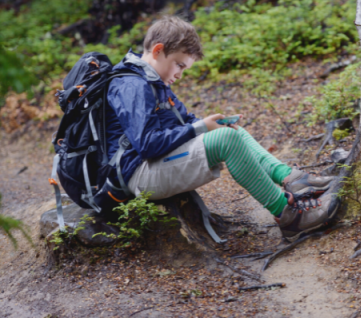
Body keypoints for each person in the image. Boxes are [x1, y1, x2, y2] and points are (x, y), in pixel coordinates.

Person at [105, 16, 339, 242]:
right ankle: (289, 216)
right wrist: (200, 127)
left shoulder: (153, 80)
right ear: (158, 51)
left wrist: (208, 124)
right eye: (179, 65)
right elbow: (147, 145)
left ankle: (292, 178)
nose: (180, 74)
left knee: (231, 131)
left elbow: (184, 121)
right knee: (226, 139)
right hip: (139, 174)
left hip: (156, 164)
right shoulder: (132, 85)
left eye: (184, 68)